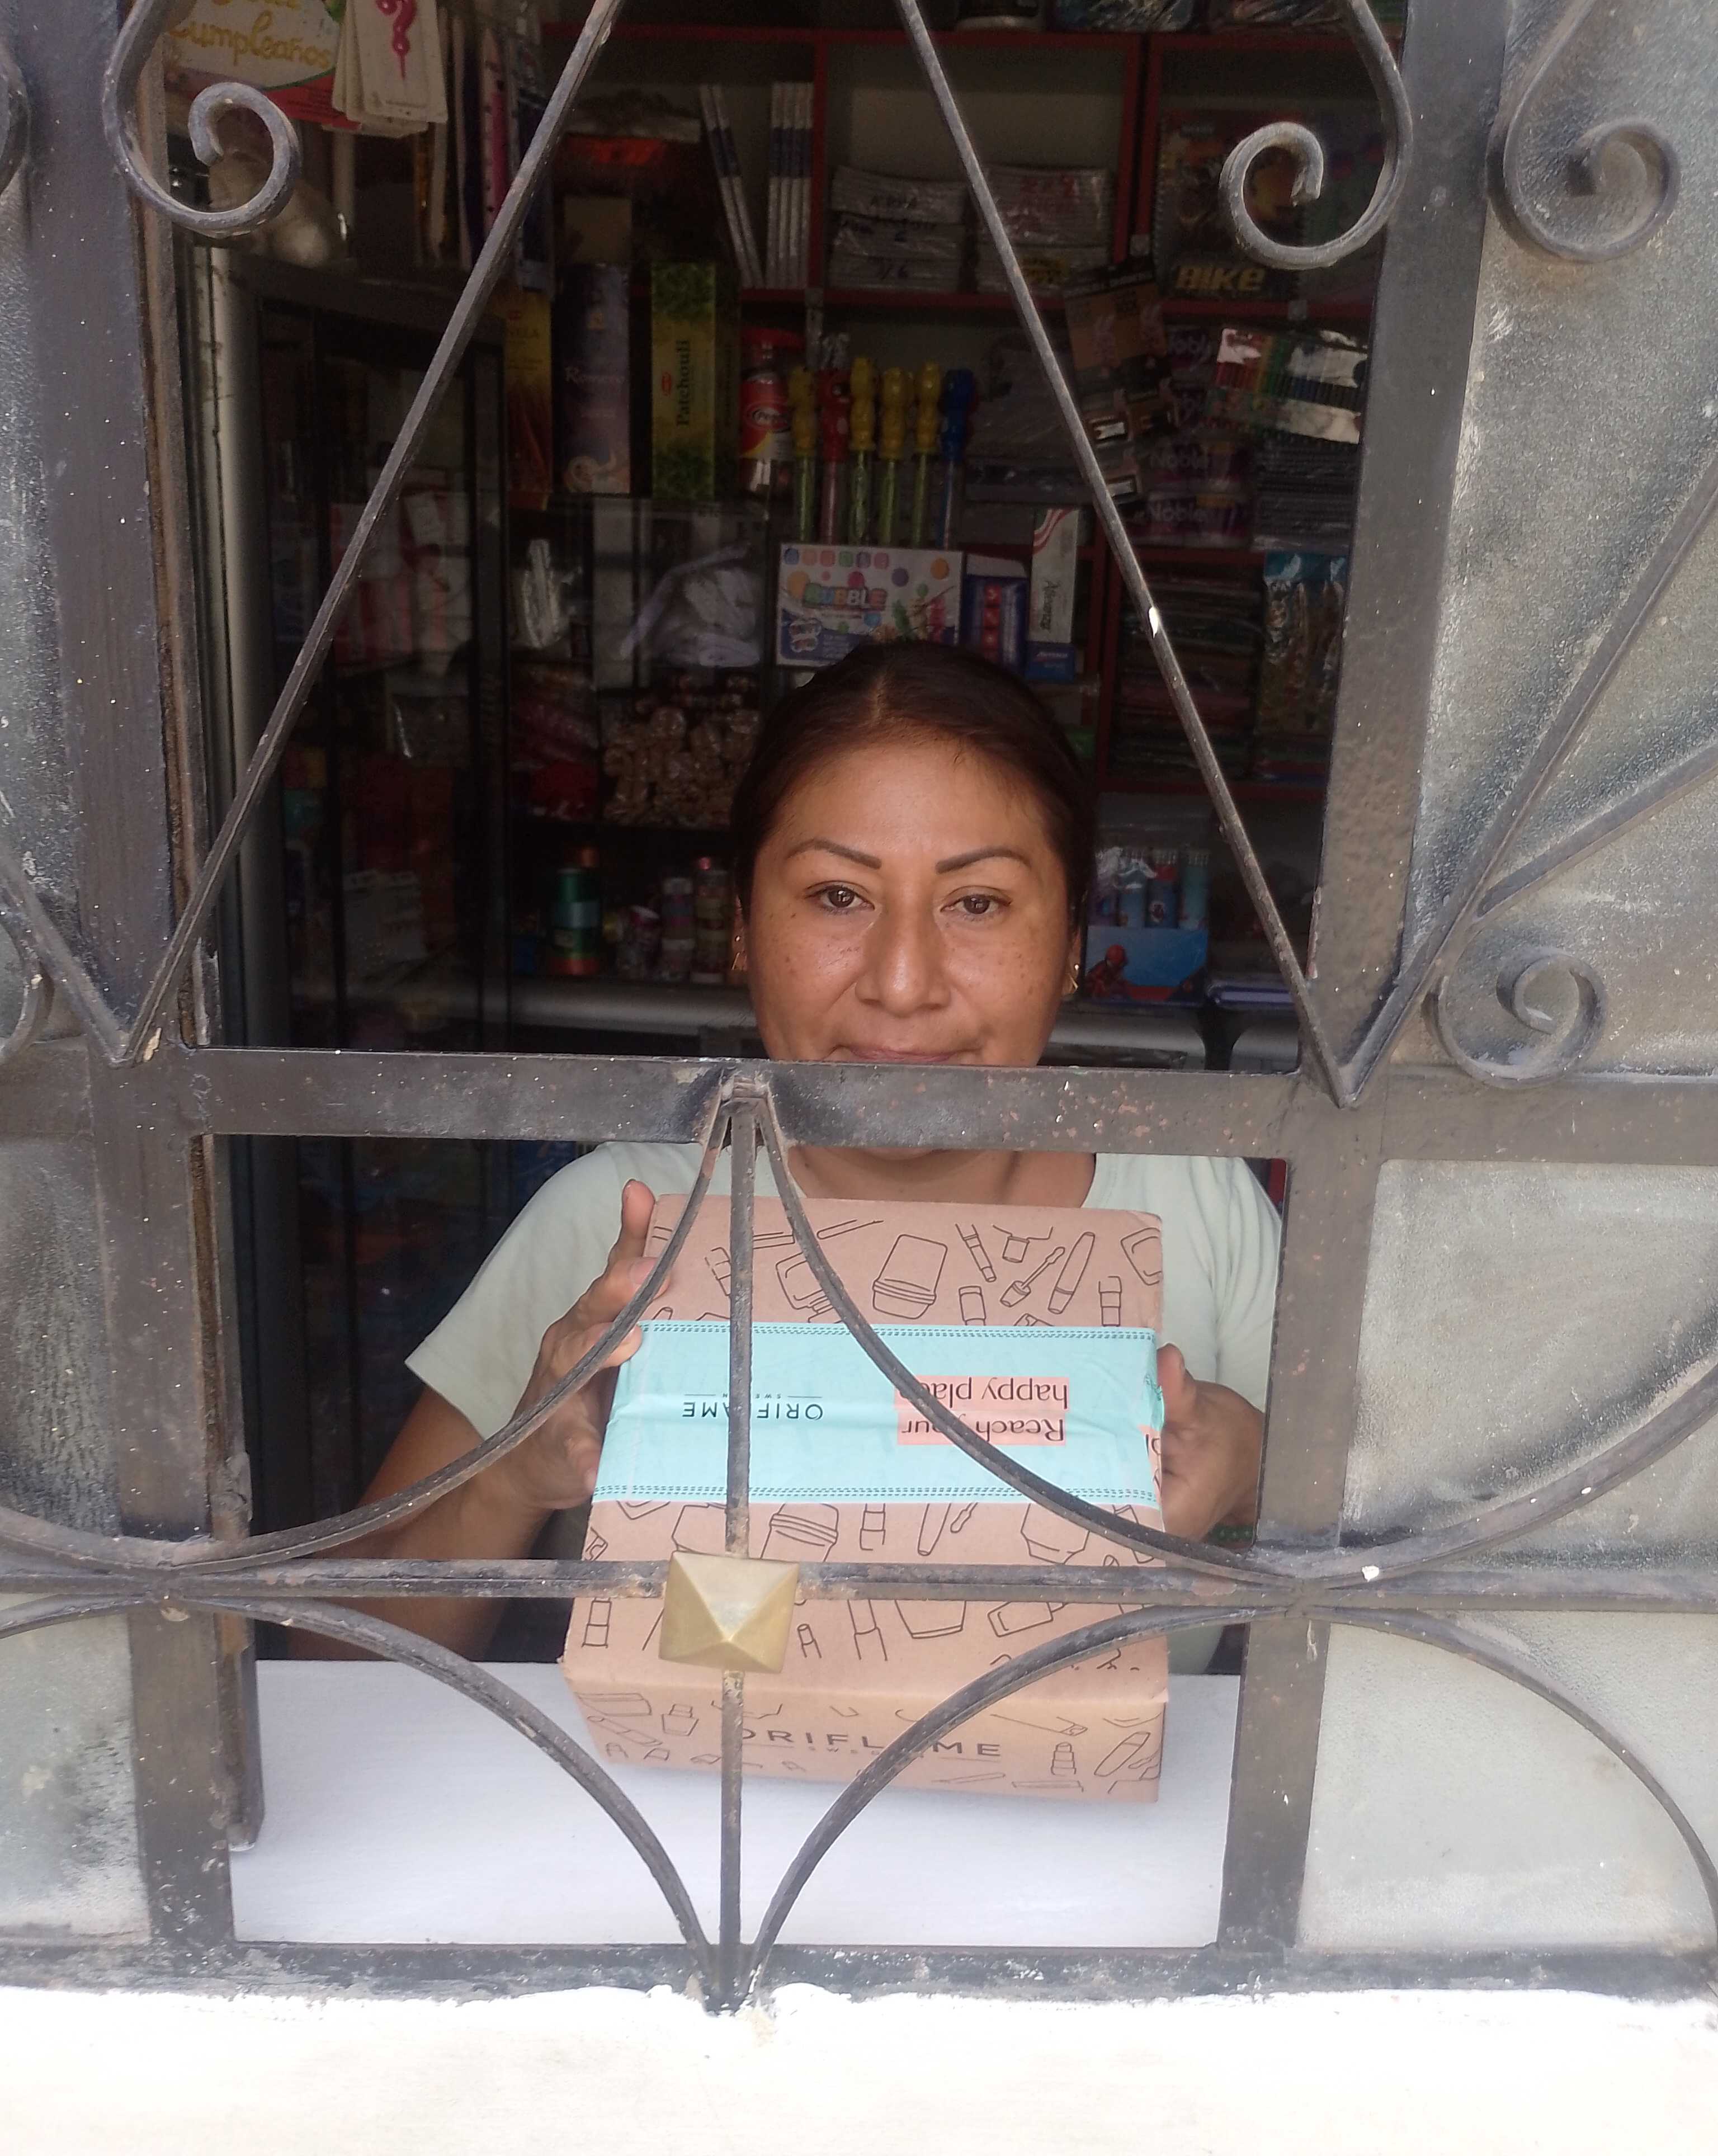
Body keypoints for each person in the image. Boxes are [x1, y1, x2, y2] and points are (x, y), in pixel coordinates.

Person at [332, 643, 1278, 1671]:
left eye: (977, 903)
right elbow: (340, 1666)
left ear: (1073, 944)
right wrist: (514, 1479)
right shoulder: (618, 1221)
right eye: (838, 896)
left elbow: (1386, 1603)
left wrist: (1257, 1472)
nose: (902, 983)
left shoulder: (1194, 1206)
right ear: (743, 927)